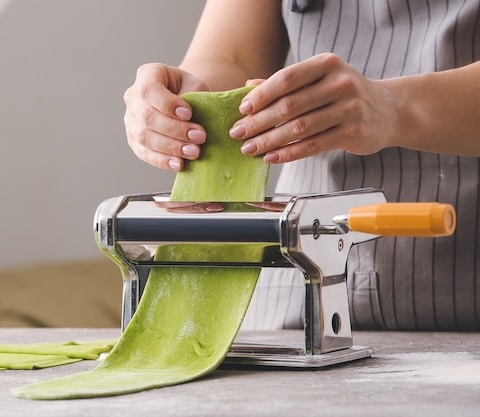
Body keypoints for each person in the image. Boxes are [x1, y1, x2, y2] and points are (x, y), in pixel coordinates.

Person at [123, 0, 480, 331]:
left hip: (461, 291)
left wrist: (396, 107)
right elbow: (231, 57)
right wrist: (183, 106)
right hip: (292, 293)